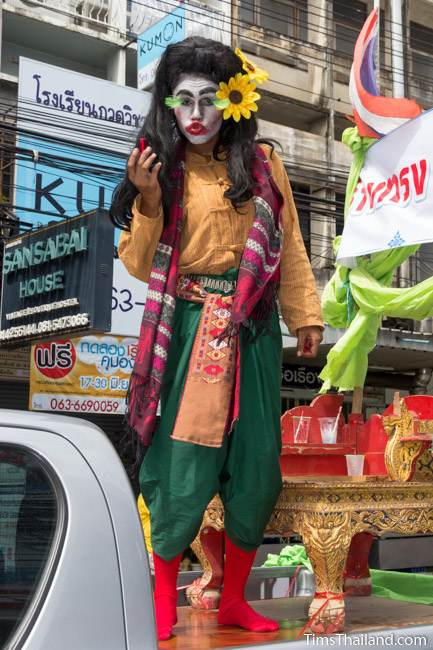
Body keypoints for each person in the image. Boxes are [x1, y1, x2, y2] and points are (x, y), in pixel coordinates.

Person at [110, 36, 323, 641]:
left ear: (233, 102)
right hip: (188, 332)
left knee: (257, 464)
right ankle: (161, 599)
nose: (197, 112)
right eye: (184, 100)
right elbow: (135, 263)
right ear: (169, 106)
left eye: (211, 98)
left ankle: (233, 600)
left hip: (253, 330)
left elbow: (292, 248)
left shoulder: (265, 165)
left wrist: (305, 315)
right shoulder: (160, 167)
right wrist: (149, 202)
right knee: (182, 465)